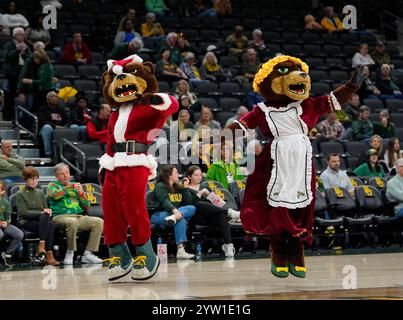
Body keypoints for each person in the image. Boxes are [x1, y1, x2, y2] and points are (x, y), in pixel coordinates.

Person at [47, 163, 103, 265]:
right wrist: (67, 187)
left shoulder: (76, 186)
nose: (66, 176)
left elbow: (86, 206)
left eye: (67, 173)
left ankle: (88, 254)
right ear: (56, 176)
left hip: (78, 216)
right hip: (59, 217)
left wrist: (81, 194)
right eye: (62, 174)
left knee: (98, 222)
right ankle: (70, 252)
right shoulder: (52, 185)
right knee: (71, 222)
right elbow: (54, 195)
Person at [186, 165, 238, 257]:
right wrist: (199, 194)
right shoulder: (186, 189)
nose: (199, 177)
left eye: (200, 175)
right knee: (200, 204)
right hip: (195, 217)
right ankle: (229, 212)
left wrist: (209, 194)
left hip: (208, 217)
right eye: (196, 175)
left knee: (220, 216)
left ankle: (228, 246)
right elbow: (189, 205)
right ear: (189, 176)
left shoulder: (204, 187)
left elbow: (220, 204)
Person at [16, 166, 59, 266]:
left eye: (35, 178)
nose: (34, 181)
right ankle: (48, 254)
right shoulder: (20, 194)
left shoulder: (40, 193)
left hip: (40, 221)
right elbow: (23, 213)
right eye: (31, 179)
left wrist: (48, 211)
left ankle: (43, 246)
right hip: (26, 221)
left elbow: (45, 208)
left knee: (49, 222)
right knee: (47, 222)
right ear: (26, 179)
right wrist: (41, 213)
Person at [152, 165, 196, 259]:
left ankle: (180, 250)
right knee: (180, 219)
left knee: (192, 208)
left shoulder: (177, 187)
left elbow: (188, 202)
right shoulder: (160, 186)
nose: (178, 175)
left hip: (174, 215)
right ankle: (180, 250)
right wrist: (175, 211)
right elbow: (165, 201)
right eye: (176, 173)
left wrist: (185, 188)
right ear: (169, 175)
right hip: (159, 214)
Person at [3, 27, 31, 121]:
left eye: (23, 34)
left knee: (24, 97)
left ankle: (21, 119)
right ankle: (8, 117)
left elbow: (30, 59)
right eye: (20, 34)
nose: (22, 36)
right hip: (12, 74)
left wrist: (23, 53)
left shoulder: (26, 46)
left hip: (23, 74)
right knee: (10, 97)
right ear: (14, 36)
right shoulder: (8, 45)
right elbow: (7, 58)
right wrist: (17, 51)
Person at [38, 91, 69, 157]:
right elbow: (42, 121)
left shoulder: (61, 109)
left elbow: (67, 120)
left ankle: (66, 154)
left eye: (56, 96)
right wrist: (55, 126)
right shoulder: (42, 109)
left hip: (60, 129)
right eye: (52, 96)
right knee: (47, 127)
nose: (54, 98)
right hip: (44, 130)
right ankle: (48, 153)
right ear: (47, 100)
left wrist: (64, 126)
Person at [0, 180, 24, 267]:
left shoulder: (5, 202)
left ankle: (7, 253)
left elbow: (8, 217)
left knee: (19, 234)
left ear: (2, 191)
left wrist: (6, 222)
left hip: (3, 224)